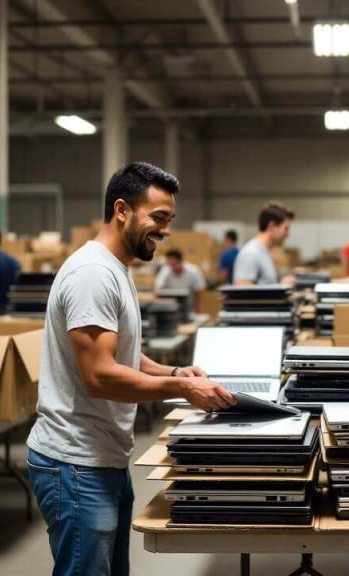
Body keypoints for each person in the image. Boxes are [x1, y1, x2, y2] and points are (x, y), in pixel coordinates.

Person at [26, 163, 235, 576]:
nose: (166, 230)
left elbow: (123, 354)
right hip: (75, 462)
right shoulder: (93, 275)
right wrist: (181, 392)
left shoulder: (116, 269)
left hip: (102, 456)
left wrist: (176, 373)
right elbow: (100, 375)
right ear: (122, 209)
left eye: (170, 220)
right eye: (158, 218)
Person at [233, 201, 295, 285]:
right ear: (272, 226)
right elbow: (243, 293)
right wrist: (280, 286)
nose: (288, 234)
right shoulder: (251, 253)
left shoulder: (263, 251)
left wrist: (280, 285)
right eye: (286, 228)